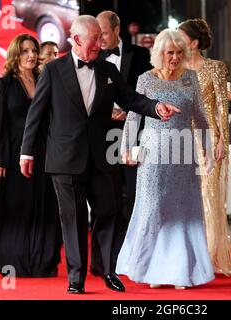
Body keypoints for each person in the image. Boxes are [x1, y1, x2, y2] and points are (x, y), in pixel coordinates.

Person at [19, 16, 180, 295]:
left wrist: (156, 107)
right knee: (74, 218)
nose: (101, 42)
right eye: (95, 38)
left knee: (110, 211)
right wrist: (26, 152)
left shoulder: (107, 68)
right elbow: (36, 115)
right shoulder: (53, 71)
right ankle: (76, 277)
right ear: (78, 39)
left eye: (101, 37)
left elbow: (131, 98)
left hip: (102, 155)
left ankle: (107, 270)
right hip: (65, 158)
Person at [116, 29, 215, 289]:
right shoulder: (145, 80)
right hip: (153, 156)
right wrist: (126, 147)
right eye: (170, 52)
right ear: (159, 53)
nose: (175, 57)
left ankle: (179, 271)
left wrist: (208, 148)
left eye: (180, 52)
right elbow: (134, 116)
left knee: (182, 211)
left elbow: (200, 118)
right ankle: (151, 269)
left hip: (184, 156)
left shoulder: (191, 78)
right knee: (153, 210)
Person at [0, 34, 62, 278]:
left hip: (43, 153)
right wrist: (0, 161)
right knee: (15, 209)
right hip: (13, 156)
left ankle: (40, 261)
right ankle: (12, 261)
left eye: (34, 50)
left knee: (42, 206)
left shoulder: (44, 79)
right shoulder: (4, 85)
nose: (31, 55)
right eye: (25, 51)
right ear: (15, 54)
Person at [178, 18, 231, 277]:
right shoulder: (174, 67)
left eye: (181, 36)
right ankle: (187, 255)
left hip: (209, 139)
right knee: (186, 200)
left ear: (194, 42)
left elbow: (223, 107)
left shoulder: (215, 68)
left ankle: (209, 256)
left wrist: (222, 139)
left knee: (209, 199)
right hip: (181, 140)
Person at [96, 11, 152, 259]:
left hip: (134, 134)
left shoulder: (140, 55)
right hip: (103, 134)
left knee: (133, 191)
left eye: (104, 33)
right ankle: (107, 255)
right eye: (97, 35)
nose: (100, 39)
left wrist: (127, 112)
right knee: (106, 194)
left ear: (117, 30)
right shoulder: (93, 56)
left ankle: (134, 253)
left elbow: (144, 94)